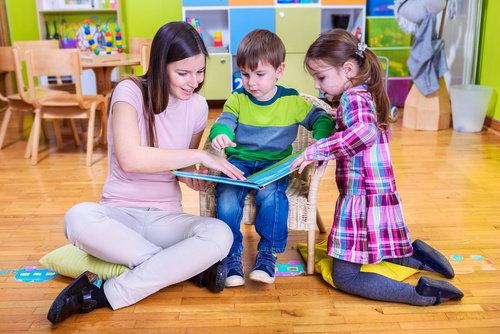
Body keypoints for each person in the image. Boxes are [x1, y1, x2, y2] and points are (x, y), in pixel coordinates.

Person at [46, 21, 247, 325]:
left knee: (219, 234)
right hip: (118, 214)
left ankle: (100, 295)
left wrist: (196, 177)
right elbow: (130, 159)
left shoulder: (198, 107)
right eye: (183, 73)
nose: (193, 81)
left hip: (165, 217)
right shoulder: (129, 91)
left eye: (200, 71)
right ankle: (188, 269)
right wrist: (197, 154)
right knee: (76, 217)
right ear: (160, 65)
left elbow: (179, 167)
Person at [290, 29, 463, 306]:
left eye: (320, 77)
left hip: (362, 197)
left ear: (347, 69)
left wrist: (317, 150)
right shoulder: (365, 91)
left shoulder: (352, 98)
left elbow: (365, 133)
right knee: (371, 246)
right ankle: (414, 255)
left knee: (345, 276)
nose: (316, 85)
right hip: (376, 192)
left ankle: (422, 295)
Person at [209, 29, 334, 287]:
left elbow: (321, 118)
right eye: (245, 74)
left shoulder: (291, 100)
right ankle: (231, 254)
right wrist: (220, 134)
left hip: (274, 165)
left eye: (259, 74)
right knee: (227, 196)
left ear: (279, 70)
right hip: (239, 163)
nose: (251, 82)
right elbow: (224, 121)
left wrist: (321, 138)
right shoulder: (238, 98)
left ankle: (268, 254)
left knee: (272, 198)